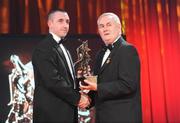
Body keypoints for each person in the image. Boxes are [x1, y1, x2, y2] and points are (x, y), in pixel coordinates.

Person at [80, 12, 142, 123]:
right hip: (102, 118)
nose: (105, 29)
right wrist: (87, 98)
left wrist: (98, 87)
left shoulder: (127, 50)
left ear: (119, 27)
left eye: (109, 24)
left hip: (122, 118)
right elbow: (97, 84)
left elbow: (128, 85)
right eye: (101, 26)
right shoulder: (100, 54)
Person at [32, 9, 90, 123]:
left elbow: (66, 80)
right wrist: (78, 98)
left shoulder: (65, 49)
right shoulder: (43, 48)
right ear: (50, 24)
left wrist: (82, 83)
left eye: (67, 22)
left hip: (66, 112)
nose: (65, 25)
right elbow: (53, 81)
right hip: (51, 115)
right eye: (60, 21)